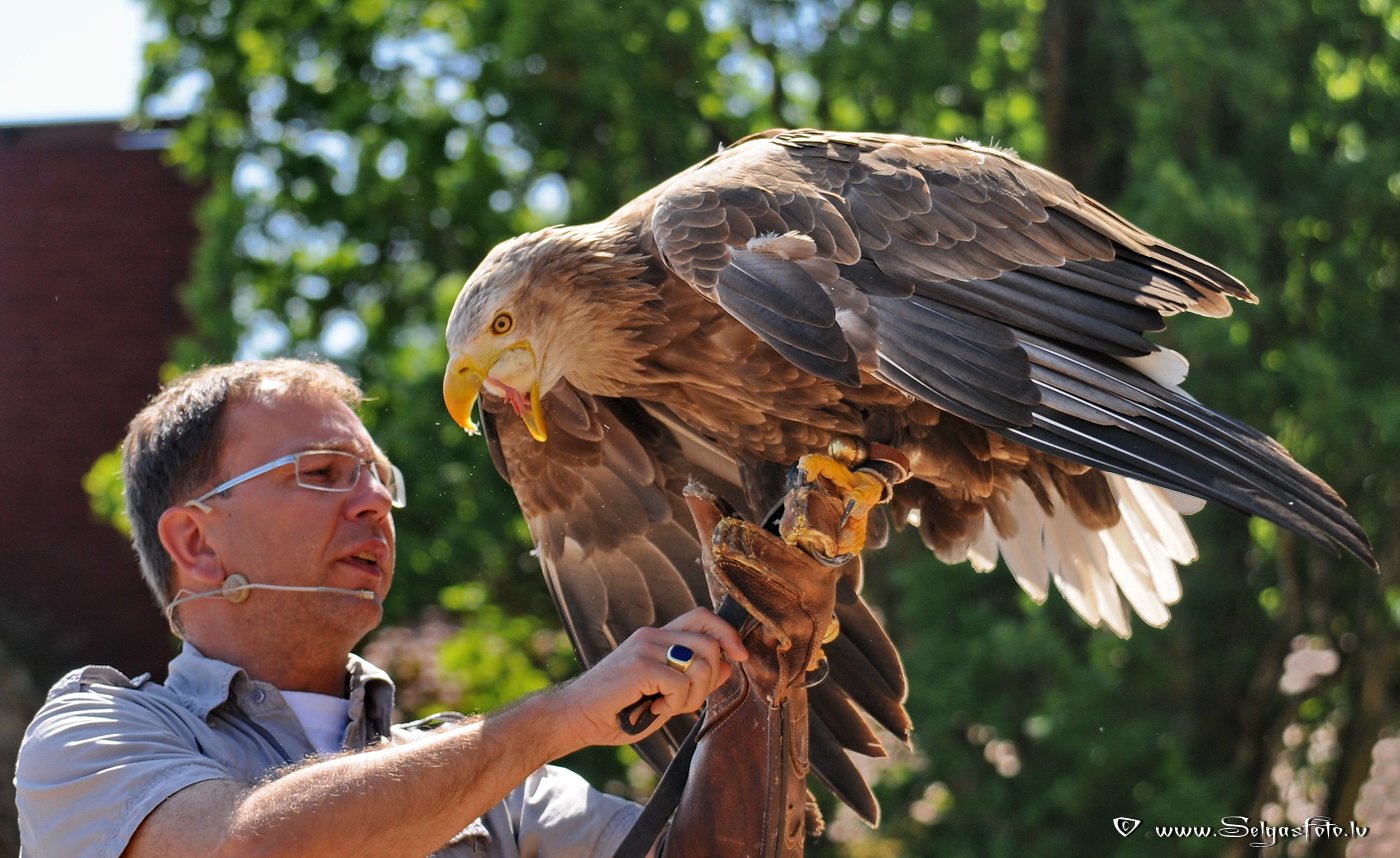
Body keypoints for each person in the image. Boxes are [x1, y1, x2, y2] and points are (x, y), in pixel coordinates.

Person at [13, 358, 749, 858]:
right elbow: (249, 847)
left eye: (377, 477)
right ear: (197, 542)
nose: (375, 503)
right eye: (324, 473)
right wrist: (558, 718)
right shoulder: (89, 736)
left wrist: (760, 671)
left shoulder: (507, 785)